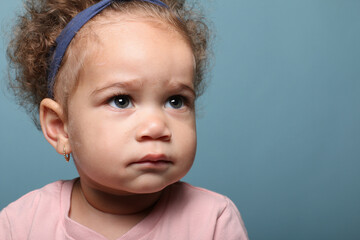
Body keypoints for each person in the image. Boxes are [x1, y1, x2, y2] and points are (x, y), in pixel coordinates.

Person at [0, 0, 248, 239]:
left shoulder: (213, 221)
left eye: (175, 101)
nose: (156, 127)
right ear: (60, 128)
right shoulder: (20, 225)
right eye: (121, 100)